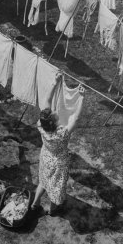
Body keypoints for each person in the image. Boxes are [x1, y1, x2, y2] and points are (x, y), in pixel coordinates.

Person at [31, 73, 85, 216]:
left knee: (43, 180)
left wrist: (55, 82)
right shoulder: (62, 134)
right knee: (56, 188)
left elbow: (47, 100)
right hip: (58, 164)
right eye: (55, 114)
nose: (56, 112)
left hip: (46, 157)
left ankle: (35, 203)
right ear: (54, 122)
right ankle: (52, 210)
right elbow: (77, 118)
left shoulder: (41, 125)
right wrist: (81, 97)